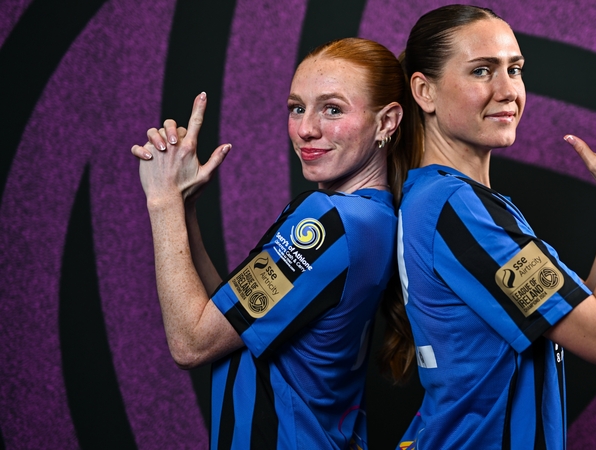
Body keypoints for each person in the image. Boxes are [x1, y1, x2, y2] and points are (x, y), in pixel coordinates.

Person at [380, 5, 596, 449]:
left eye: (514, 70)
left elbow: (582, 313)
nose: (507, 91)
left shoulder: (457, 201)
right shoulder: (457, 208)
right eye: (481, 71)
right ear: (425, 92)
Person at [131, 37, 421, 450]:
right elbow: (229, 321)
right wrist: (184, 206)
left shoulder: (329, 222)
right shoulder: (373, 217)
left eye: (332, 109)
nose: (306, 129)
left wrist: (161, 201)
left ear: (387, 122)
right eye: (297, 108)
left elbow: (192, 342)